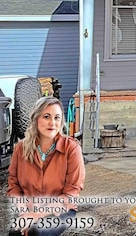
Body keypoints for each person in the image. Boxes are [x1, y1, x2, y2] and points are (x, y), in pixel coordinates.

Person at [7, 96, 85, 236]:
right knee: (15, 233)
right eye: (47, 117)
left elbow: (71, 192)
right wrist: (24, 212)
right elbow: (14, 186)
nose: (52, 123)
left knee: (38, 231)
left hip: (61, 209)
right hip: (30, 207)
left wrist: (36, 215)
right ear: (36, 119)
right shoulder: (20, 149)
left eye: (57, 117)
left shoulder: (71, 149)